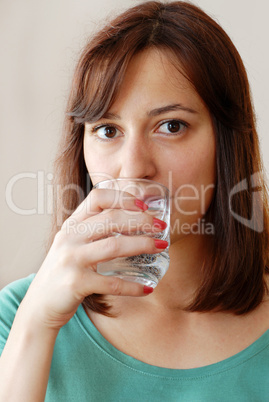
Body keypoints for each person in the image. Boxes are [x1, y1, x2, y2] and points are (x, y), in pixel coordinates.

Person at [1, 1, 269, 400]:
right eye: (108, 130)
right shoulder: (19, 314)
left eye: (171, 126)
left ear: (227, 142)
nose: (132, 169)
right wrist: (37, 324)